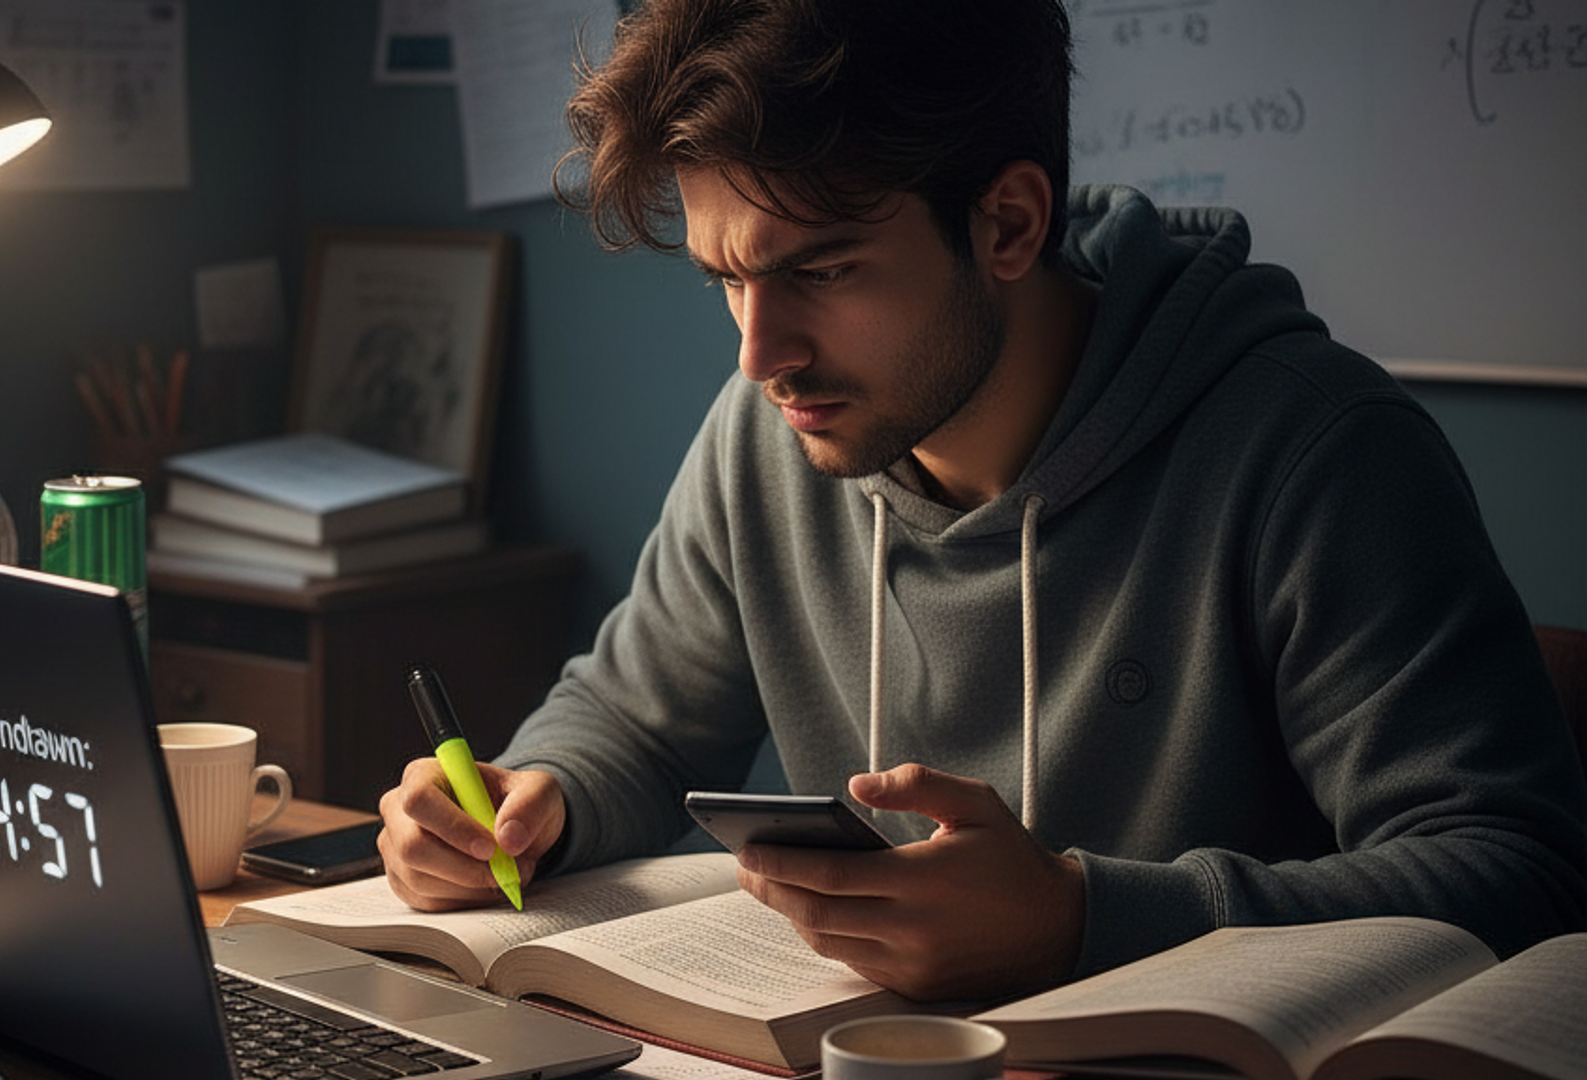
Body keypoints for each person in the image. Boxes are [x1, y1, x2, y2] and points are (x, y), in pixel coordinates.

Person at [377, 0, 1587, 1001]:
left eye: (825, 270)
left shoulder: (1313, 452)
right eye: (727, 281)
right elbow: (632, 722)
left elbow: (1520, 870)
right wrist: (535, 802)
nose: (761, 355)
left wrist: (1083, 918)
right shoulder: (771, 434)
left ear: (1009, 221)